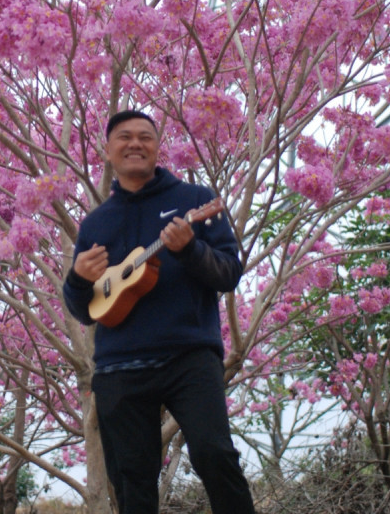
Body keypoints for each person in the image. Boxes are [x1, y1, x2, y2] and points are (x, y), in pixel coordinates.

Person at [63, 110, 256, 514]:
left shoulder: (195, 201)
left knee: (215, 455)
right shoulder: (95, 224)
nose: (135, 143)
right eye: (124, 137)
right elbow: (86, 311)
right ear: (107, 150)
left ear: (157, 147)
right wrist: (78, 279)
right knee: (130, 480)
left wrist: (190, 249)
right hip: (119, 367)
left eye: (145, 136)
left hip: (189, 355)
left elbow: (229, 273)